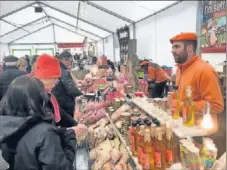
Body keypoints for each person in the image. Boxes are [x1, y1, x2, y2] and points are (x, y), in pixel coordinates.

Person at [0, 76, 76, 170]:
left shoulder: (6, 125)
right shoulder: (45, 132)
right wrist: (70, 141)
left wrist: (60, 132)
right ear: (39, 99)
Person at [169, 32, 224, 135]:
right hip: (183, 128)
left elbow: (216, 105)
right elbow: (183, 95)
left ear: (189, 48)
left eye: (176, 47)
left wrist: (182, 106)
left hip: (200, 131)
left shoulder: (204, 70)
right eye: (172, 48)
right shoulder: (180, 69)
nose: (172, 51)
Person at [53, 51, 82, 117]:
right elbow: (71, 89)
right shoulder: (63, 71)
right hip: (65, 103)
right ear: (65, 60)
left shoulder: (57, 68)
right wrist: (82, 95)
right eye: (70, 61)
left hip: (58, 101)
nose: (70, 63)